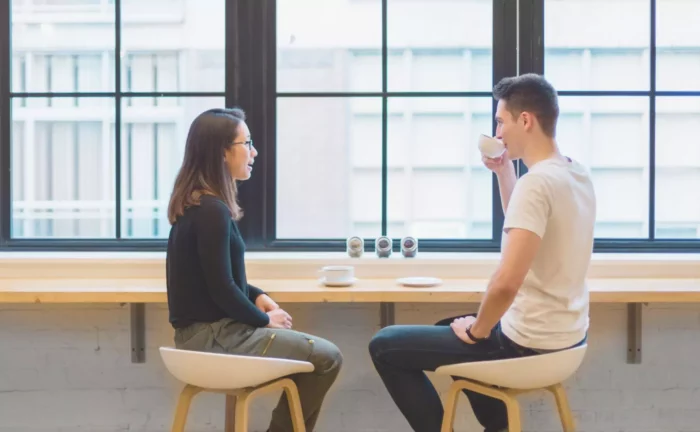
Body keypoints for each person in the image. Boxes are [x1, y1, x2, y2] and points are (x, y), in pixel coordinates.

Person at [368, 74, 596, 432]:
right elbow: (528, 227)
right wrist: (505, 172)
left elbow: (506, 284)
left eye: (500, 121)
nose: (498, 133)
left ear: (525, 120)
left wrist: (478, 331)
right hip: (567, 337)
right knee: (448, 328)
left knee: (385, 346)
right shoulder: (574, 173)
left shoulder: (537, 183)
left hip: (529, 343)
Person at [165, 108, 342, 432]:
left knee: (304, 355)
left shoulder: (197, 205)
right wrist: (263, 320)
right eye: (246, 143)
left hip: (201, 337)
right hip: (213, 339)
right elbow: (221, 288)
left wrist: (258, 296)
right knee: (328, 357)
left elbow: (217, 278)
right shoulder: (212, 212)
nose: (254, 152)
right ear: (222, 152)